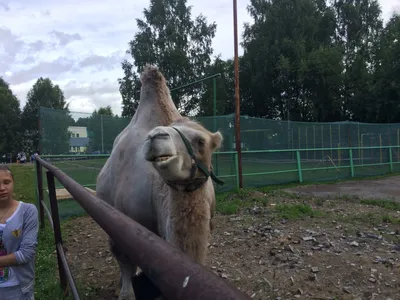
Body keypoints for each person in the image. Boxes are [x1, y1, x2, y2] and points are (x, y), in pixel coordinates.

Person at [0, 165, 38, 300]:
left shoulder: (27, 211)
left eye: (6, 182)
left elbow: (26, 253)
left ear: (13, 183)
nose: (2, 188)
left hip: (19, 288)